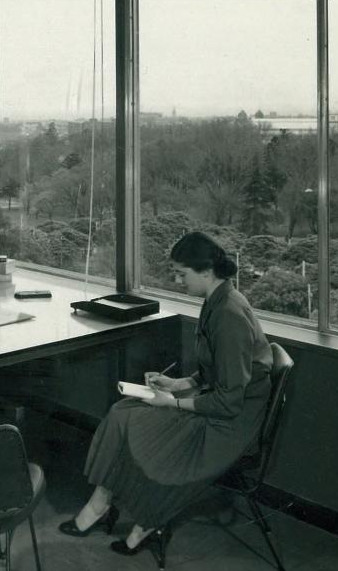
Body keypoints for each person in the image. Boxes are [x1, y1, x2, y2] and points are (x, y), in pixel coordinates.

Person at [59, 231, 272, 556]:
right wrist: (178, 384)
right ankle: (100, 504)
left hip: (229, 423)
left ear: (205, 271)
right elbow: (218, 369)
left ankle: (136, 517)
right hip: (219, 403)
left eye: (181, 273)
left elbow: (230, 400)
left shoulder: (228, 315)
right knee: (123, 411)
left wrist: (171, 402)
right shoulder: (217, 300)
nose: (176, 279)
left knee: (132, 420)